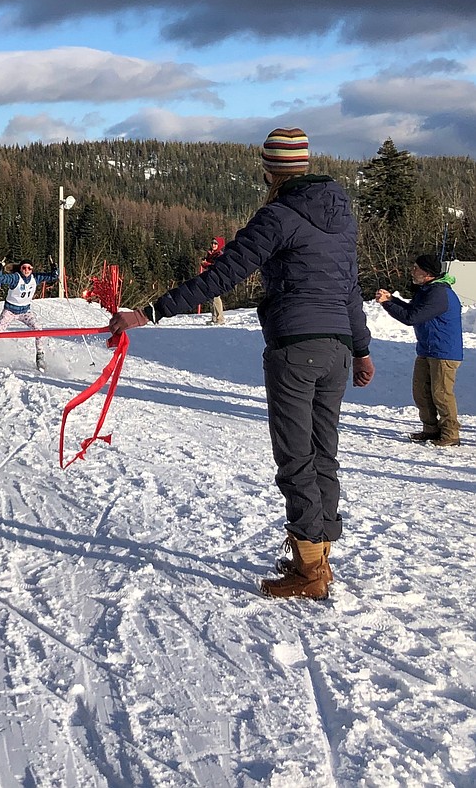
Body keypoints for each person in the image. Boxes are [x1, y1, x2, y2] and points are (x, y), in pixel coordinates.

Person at [109, 128, 375, 601]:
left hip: (296, 345)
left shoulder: (278, 216)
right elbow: (349, 287)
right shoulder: (342, 217)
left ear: (270, 170)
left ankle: (310, 571)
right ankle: (314, 551)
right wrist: (360, 347)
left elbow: (222, 276)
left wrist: (148, 311)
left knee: (296, 456)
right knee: (322, 452)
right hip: (335, 349)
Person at [376, 254, 463, 446]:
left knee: (441, 394)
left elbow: (412, 317)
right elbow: (412, 309)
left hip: (444, 351)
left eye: (416, 268)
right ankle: (430, 429)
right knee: (421, 392)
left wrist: (387, 303)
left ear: (428, 273)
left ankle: (450, 434)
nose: (412, 271)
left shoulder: (439, 293)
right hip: (427, 349)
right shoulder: (428, 290)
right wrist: (392, 299)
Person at [0, 259, 59, 372]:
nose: (26, 270)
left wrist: (54, 268)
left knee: (38, 329)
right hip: (10, 311)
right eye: (24, 268)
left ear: (32, 269)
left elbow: (53, 277)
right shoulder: (15, 278)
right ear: (20, 268)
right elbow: (1, 278)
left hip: (25, 312)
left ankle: (40, 357)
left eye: (29, 268)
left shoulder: (35, 278)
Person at [201, 237, 226, 324]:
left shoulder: (219, 254)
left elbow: (216, 266)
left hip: (217, 278)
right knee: (211, 298)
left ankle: (220, 318)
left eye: (215, 244)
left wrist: (206, 264)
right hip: (210, 277)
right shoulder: (211, 254)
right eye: (212, 243)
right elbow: (208, 266)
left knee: (216, 297)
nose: (213, 245)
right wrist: (204, 264)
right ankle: (214, 317)